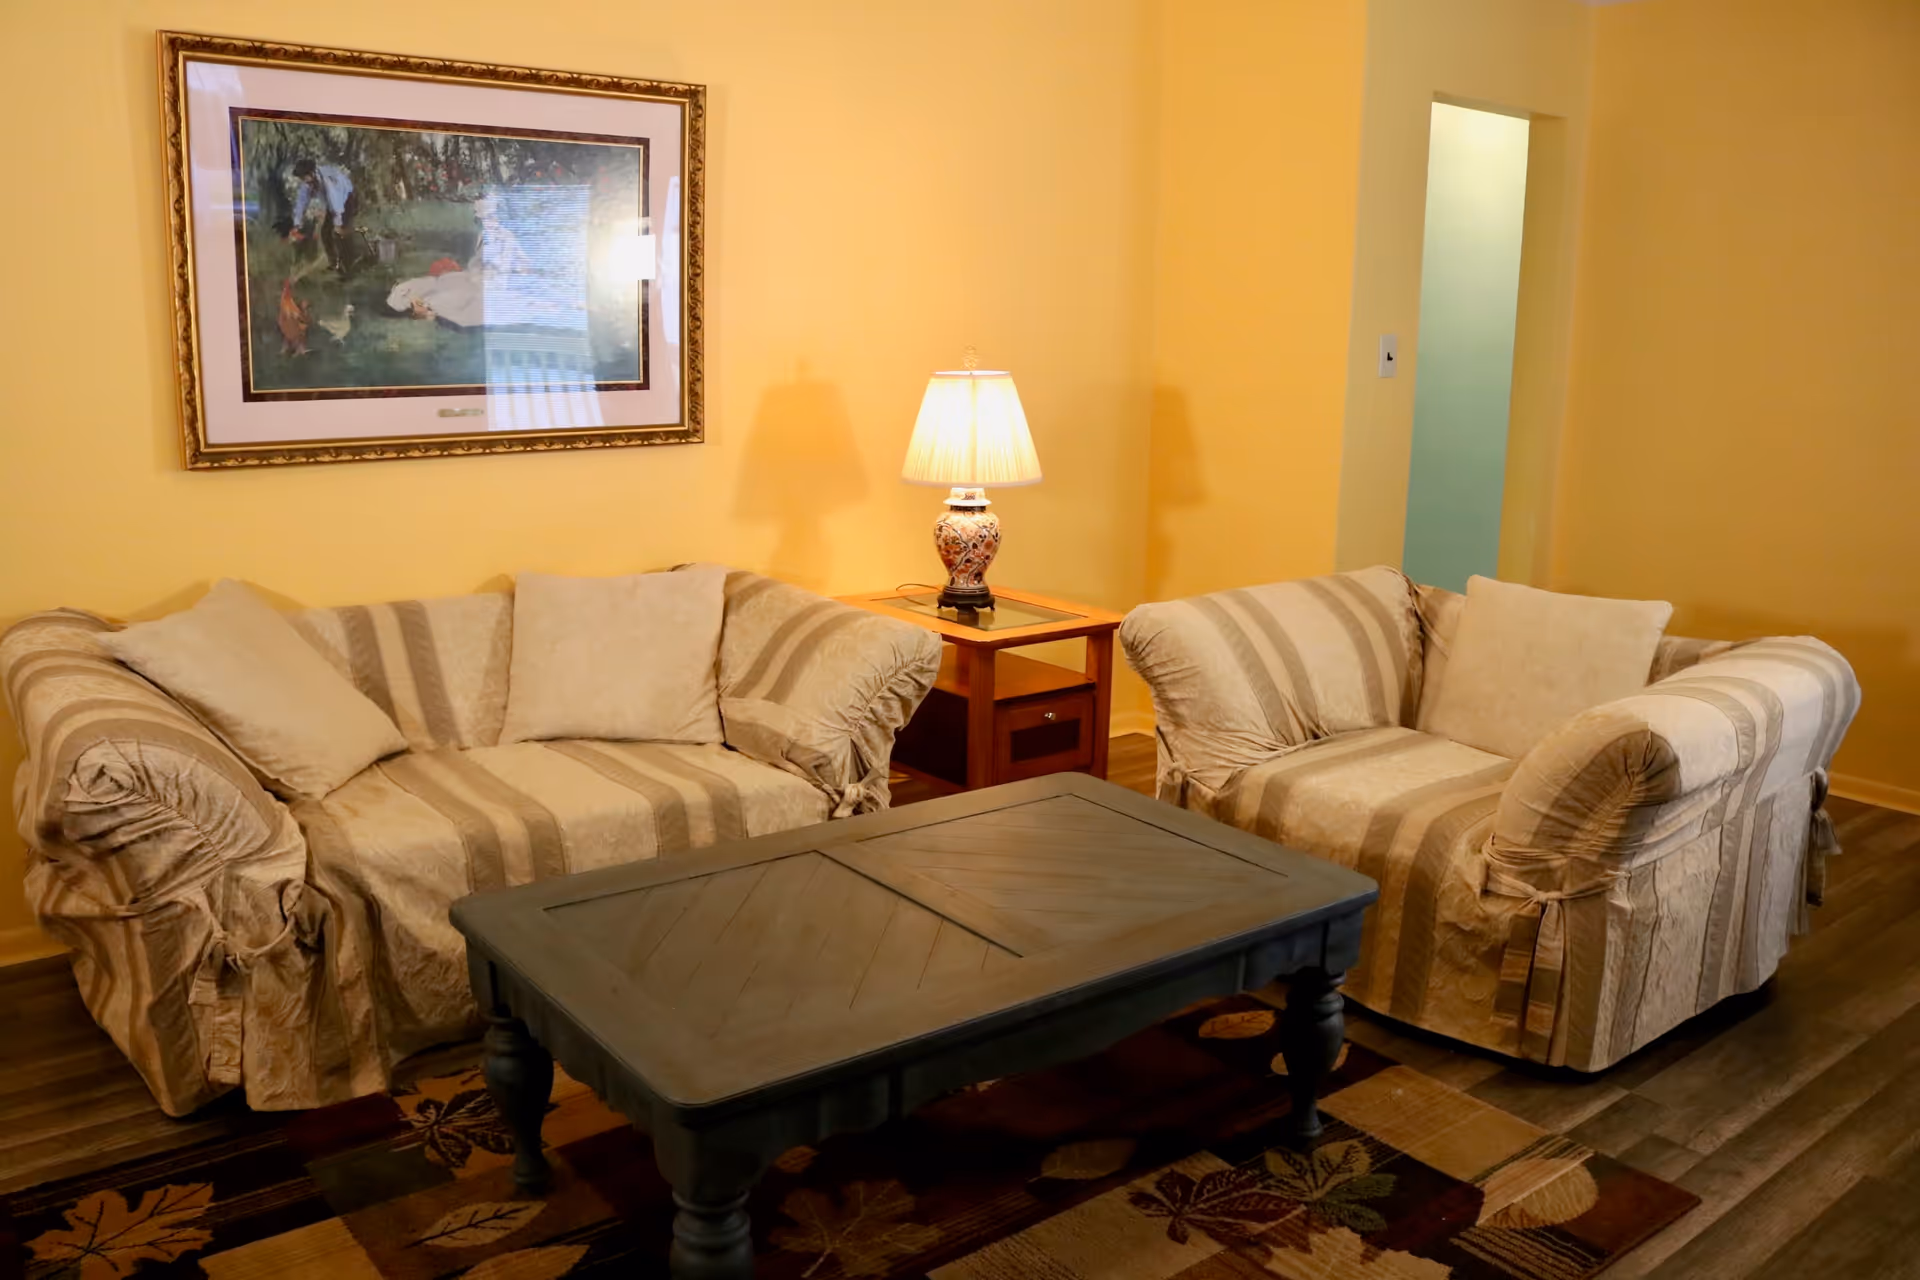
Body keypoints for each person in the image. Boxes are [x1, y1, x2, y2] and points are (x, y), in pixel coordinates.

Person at [289, 157, 358, 273]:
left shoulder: (328, 179)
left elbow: (336, 201)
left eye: (303, 177)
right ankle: (334, 263)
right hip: (333, 204)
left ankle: (349, 267)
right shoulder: (309, 181)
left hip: (347, 198)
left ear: (311, 173)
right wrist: (297, 223)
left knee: (340, 233)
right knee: (325, 232)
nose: (303, 180)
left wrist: (338, 223)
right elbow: (302, 201)